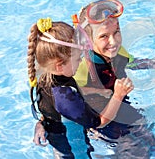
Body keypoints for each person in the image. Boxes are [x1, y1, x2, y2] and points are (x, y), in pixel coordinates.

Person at [33, 0, 155, 158]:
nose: (113, 42)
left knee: (151, 141)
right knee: (137, 152)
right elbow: (55, 102)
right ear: (87, 41)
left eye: (117, 32)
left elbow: (134, 62)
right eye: (104, 36)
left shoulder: (118, 52)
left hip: (115, 108)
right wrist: (43, 122)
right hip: (98, 119)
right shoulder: (78, 67)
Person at [27, 18, 134, 158]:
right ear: (60, 66)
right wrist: (118, 95)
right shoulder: (65, 98)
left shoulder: (45, 79)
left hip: (59, 136)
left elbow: (49, 106)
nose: (80, 62)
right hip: (75, 149)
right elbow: (100, 122)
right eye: (77, 59)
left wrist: (42, 123)